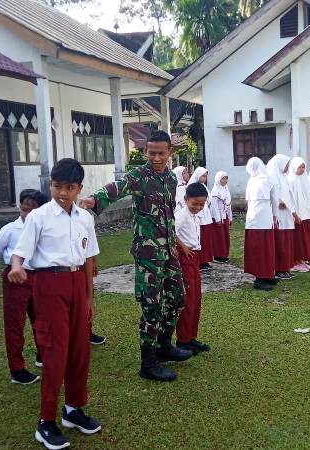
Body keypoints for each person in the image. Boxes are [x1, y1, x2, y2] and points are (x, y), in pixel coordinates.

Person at [79, 129, 192, 383]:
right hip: (147, 253)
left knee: (177, 297)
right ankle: (148, 361)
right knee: (151, 304)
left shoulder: (171, 181)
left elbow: (169, 216)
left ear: (169, 153)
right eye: (151, 153)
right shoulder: (139, 176)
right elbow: (116, 188)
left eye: (161, 153)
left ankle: (164, 345)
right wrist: (93, 200)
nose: (155, 158)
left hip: (168, 250)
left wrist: (176, 242)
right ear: (145, 152)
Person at [9, 158, 102, 449]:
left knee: (79, 350)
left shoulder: (86, 218)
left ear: (79, 189)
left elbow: (88, 260)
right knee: (54, 353)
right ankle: (45, 421)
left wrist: (89, 298)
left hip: (77, 284)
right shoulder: (39, 217)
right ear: (50, 185)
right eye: (57, 186)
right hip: (49, 285)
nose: (62, 192)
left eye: (69, 187)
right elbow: (20, 252)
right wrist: (15, 267)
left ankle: (73, 409)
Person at [0, 189, 47, 385]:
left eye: (31, 210)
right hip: (16, 280)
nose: (26, 213)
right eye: (23, 209)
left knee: (42, 320)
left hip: (38, 278)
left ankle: (42, 355)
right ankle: (17, 369)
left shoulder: (43, 227)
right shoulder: (11, 229)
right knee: (15, 324)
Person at [174, 182, 211, 355]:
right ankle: (183, 340)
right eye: (194, 203)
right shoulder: (181, 215)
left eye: (201, 204)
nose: (198, 207)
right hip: (185, 259)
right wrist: (182, 247)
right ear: (185, 199)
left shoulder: (195, 216)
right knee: (187, 300)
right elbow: (170, 231)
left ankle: (191, 337)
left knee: (196, 299)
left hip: (195, 258)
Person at [244, 157, 277, 291]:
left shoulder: (265, 179)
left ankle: (267, 274)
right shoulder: (253, 180)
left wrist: (274, 216)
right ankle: (259, 279)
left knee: (266, 249)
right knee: (259, 250)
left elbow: (273, 198)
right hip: (255, 221)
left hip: (262, 218)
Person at [266, 155, 298, 280]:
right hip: (277, 214)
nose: (287, 167)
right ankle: (279, 269)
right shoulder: (271, 177)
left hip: (287, 213)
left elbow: (289, 195)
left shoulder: (284, 177)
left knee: (287, 242)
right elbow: (272, 195)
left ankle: (286, 267)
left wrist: (290, 207)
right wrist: (280, 203)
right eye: (285, 164)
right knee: (280, 243)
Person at [286, 158, 310, 273]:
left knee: (304, 238)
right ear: (294, 167)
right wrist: (294, 214)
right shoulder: (291, 179)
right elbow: (290, 199)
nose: (302, 169)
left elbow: (307, 195)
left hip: (305, 212)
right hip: (297, 213)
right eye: (299, 167)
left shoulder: (305, 178)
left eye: (303, 167)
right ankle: (295, 261)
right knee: (297, 238)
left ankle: (301, 260)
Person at [189, 167, 215, 272]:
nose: (204, 178)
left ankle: (205, 260)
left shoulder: (203, 186)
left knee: (206, 240)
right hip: (198, 216)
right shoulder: (192, 186)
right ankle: (200, 261)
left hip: (206, 216)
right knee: (200, 239)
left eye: (206, 176)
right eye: (203, 175)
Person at [209, 171, 232, 264]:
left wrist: (230, 217)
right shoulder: (215, 191)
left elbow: (229, 204)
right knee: (219, 236)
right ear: (218, 179)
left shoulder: (226, 189)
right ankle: (218, 255)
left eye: (226, 178)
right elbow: (214, 206)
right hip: (218, 217)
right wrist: (217, 219)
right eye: (223, 178)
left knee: (225, 235)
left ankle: (224, 254)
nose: (225, 180)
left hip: (225, 216)